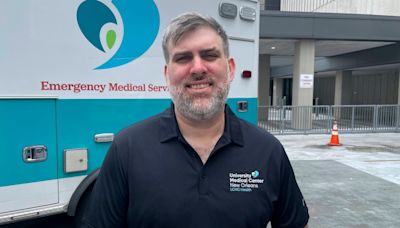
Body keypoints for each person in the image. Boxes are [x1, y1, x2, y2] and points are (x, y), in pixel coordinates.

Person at [81, 12, 309, 228]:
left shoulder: (268, 151)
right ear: (167, 74)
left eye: (209, 55)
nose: (198, 68)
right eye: (183, 58)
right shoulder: (127, 149)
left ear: (230, 69)